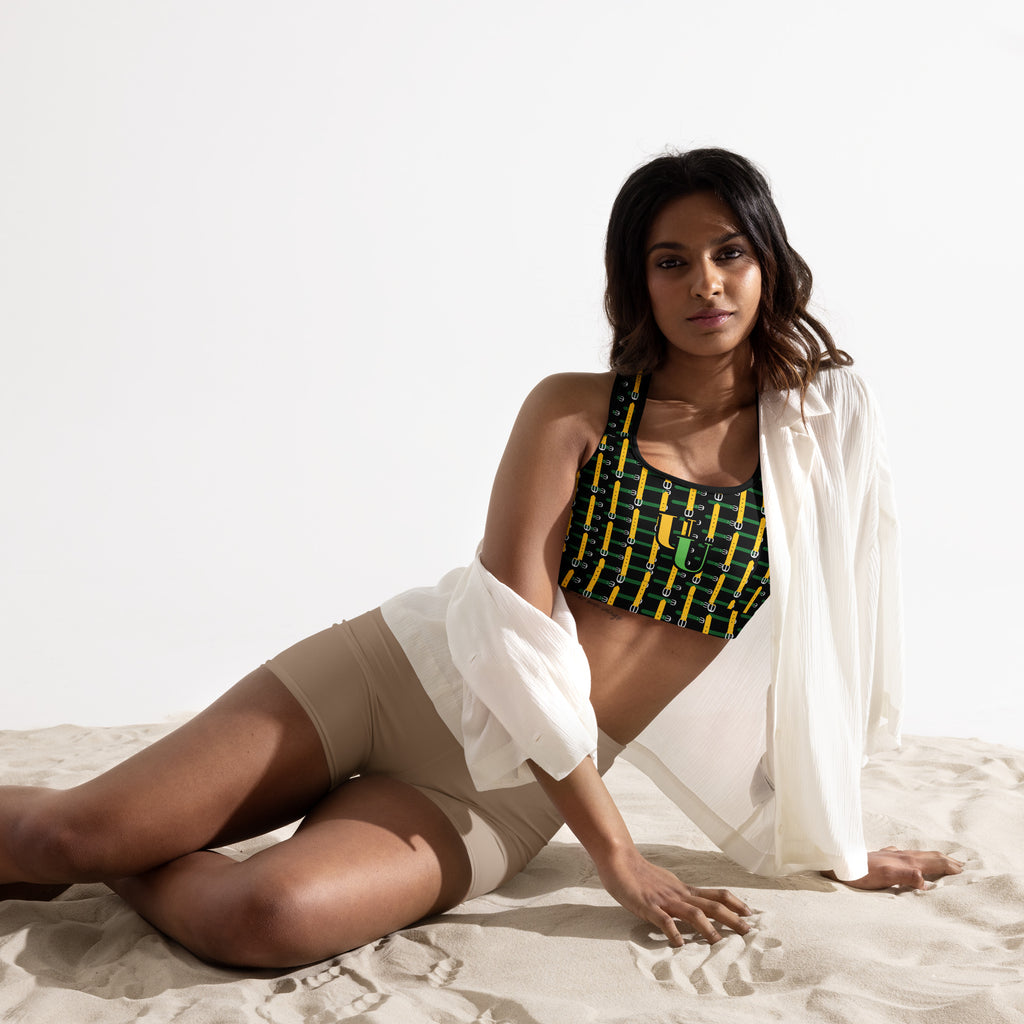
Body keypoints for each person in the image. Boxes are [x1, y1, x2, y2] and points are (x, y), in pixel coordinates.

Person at [0, 148, 962, 970]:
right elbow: (509, 639)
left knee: (269, 918)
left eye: (729, 252)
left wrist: (834, 844)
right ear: (636, 284)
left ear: (769, 262)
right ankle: (110, 842)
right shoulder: (575, 411)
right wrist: (617, 854)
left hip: (509, 786)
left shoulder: (822, 430)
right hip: (394, 680)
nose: (705, 283)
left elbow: (824, 654)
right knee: (64, 833)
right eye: (671, 262)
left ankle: (131, 856)